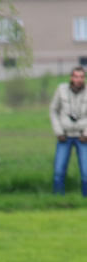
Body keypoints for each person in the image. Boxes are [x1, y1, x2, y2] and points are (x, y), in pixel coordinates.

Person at [49, 66, 87, 196]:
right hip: (64, 136)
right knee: (59, 170)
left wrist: (86, 133)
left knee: (86, 172)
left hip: (83, 137)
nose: (79, 80)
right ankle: (58, 199)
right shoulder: (61, 90)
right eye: (76, 76)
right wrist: (58, 132)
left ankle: (84, 199)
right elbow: (53, 110)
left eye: (81, 77)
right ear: (71, 77)